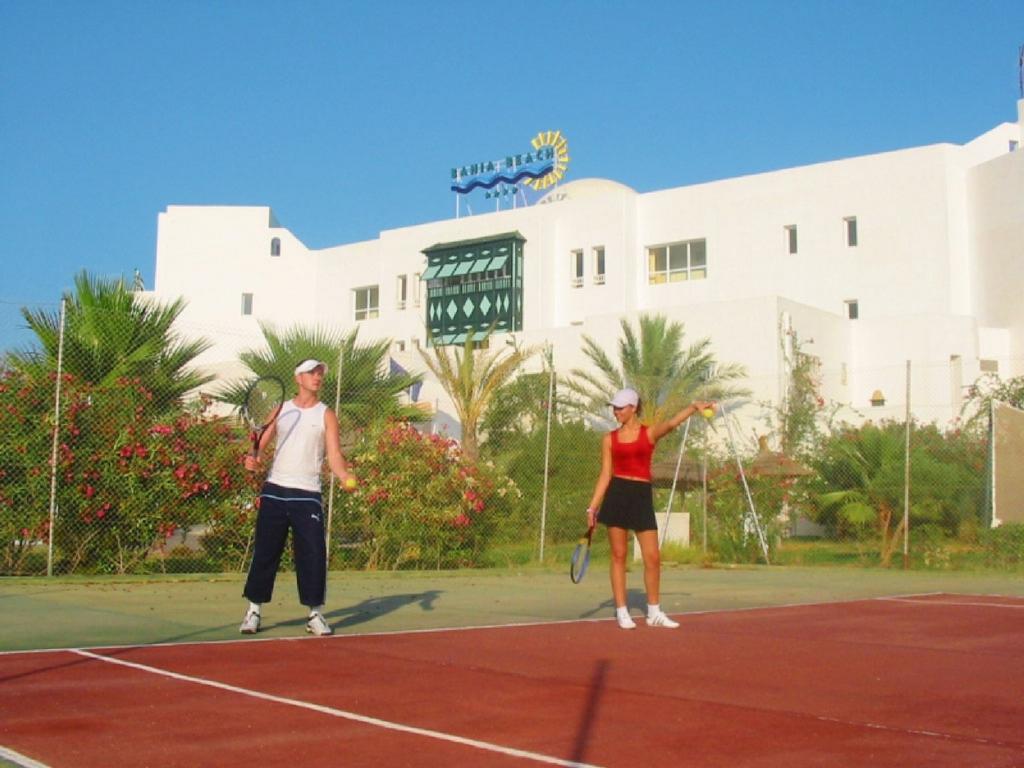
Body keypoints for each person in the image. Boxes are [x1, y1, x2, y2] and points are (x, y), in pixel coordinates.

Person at [239, 359, 356, 636]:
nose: (317, 377)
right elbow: (259, 446)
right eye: (311, 372)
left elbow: (335, 454)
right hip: (276, 490)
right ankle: (254, 611)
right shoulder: (281, 410)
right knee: (266, 552)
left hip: (308, 494)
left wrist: (343, 475)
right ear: (298, 378)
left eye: (320, 373)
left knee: (313, 555)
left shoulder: (326, 414)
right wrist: (252, 458)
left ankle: (314, 615)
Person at [586, 387, 715, 630]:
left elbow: (671, 423)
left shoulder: (649, 434)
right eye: (614, 407)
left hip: (641, 496)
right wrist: (592, 508)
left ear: (633, 408)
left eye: (620, 407)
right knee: (619, 555)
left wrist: (693, 407)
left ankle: (654, 612)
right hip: (617, 495)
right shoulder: (609, 439)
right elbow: (605, 474)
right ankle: (622, 611)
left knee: (653, 557)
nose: (616, 412)